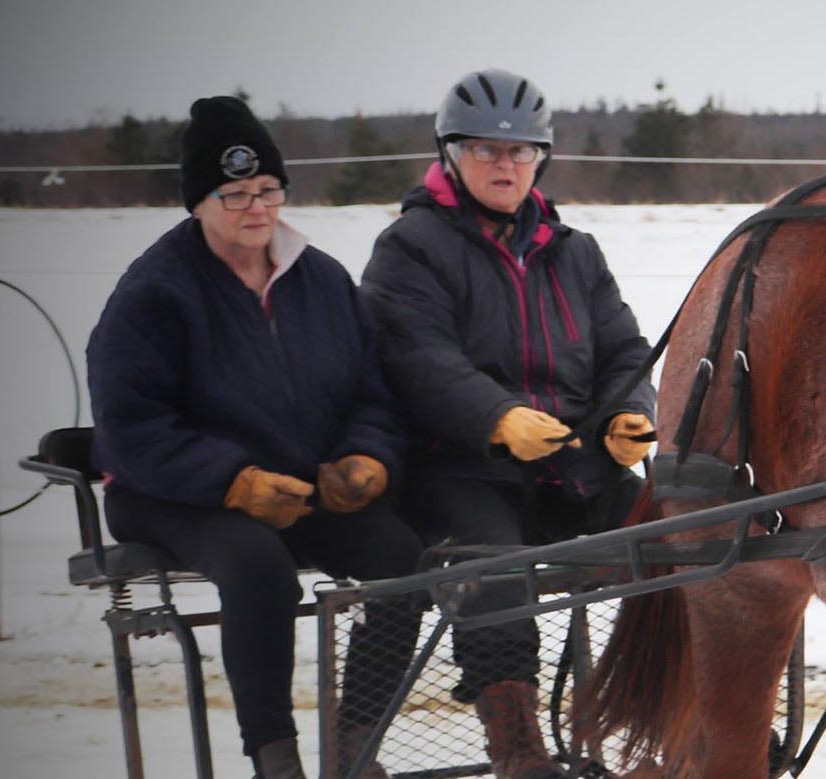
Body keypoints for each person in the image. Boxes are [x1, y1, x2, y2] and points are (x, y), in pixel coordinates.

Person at [86, 96, 423, 779]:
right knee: (259, 569)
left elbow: (372, 392)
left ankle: (356, 745)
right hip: (169, 492)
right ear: (198, 203)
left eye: (267, 189)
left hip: (298, 486)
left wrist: (366, 458)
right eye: (233, 192)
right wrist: (231, 481)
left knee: (401, 557)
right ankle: (276, 758)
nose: (255, 206)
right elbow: (131, 425)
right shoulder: (155, 291)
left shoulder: (321, 278)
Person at [360, 69, 655, 779]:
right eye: (487, 149)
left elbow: (623, 349)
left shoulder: (573, 250)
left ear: (541, 160)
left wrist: (626, 414)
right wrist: (498, 417)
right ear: (450, 155)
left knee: (680, 537)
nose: (506, 164)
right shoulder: (410, 247)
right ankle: (518, 745)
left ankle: (671, 723)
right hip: (458, 467)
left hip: (573, 467)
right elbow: (417, 358)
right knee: (494, 566)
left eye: (522, 151)